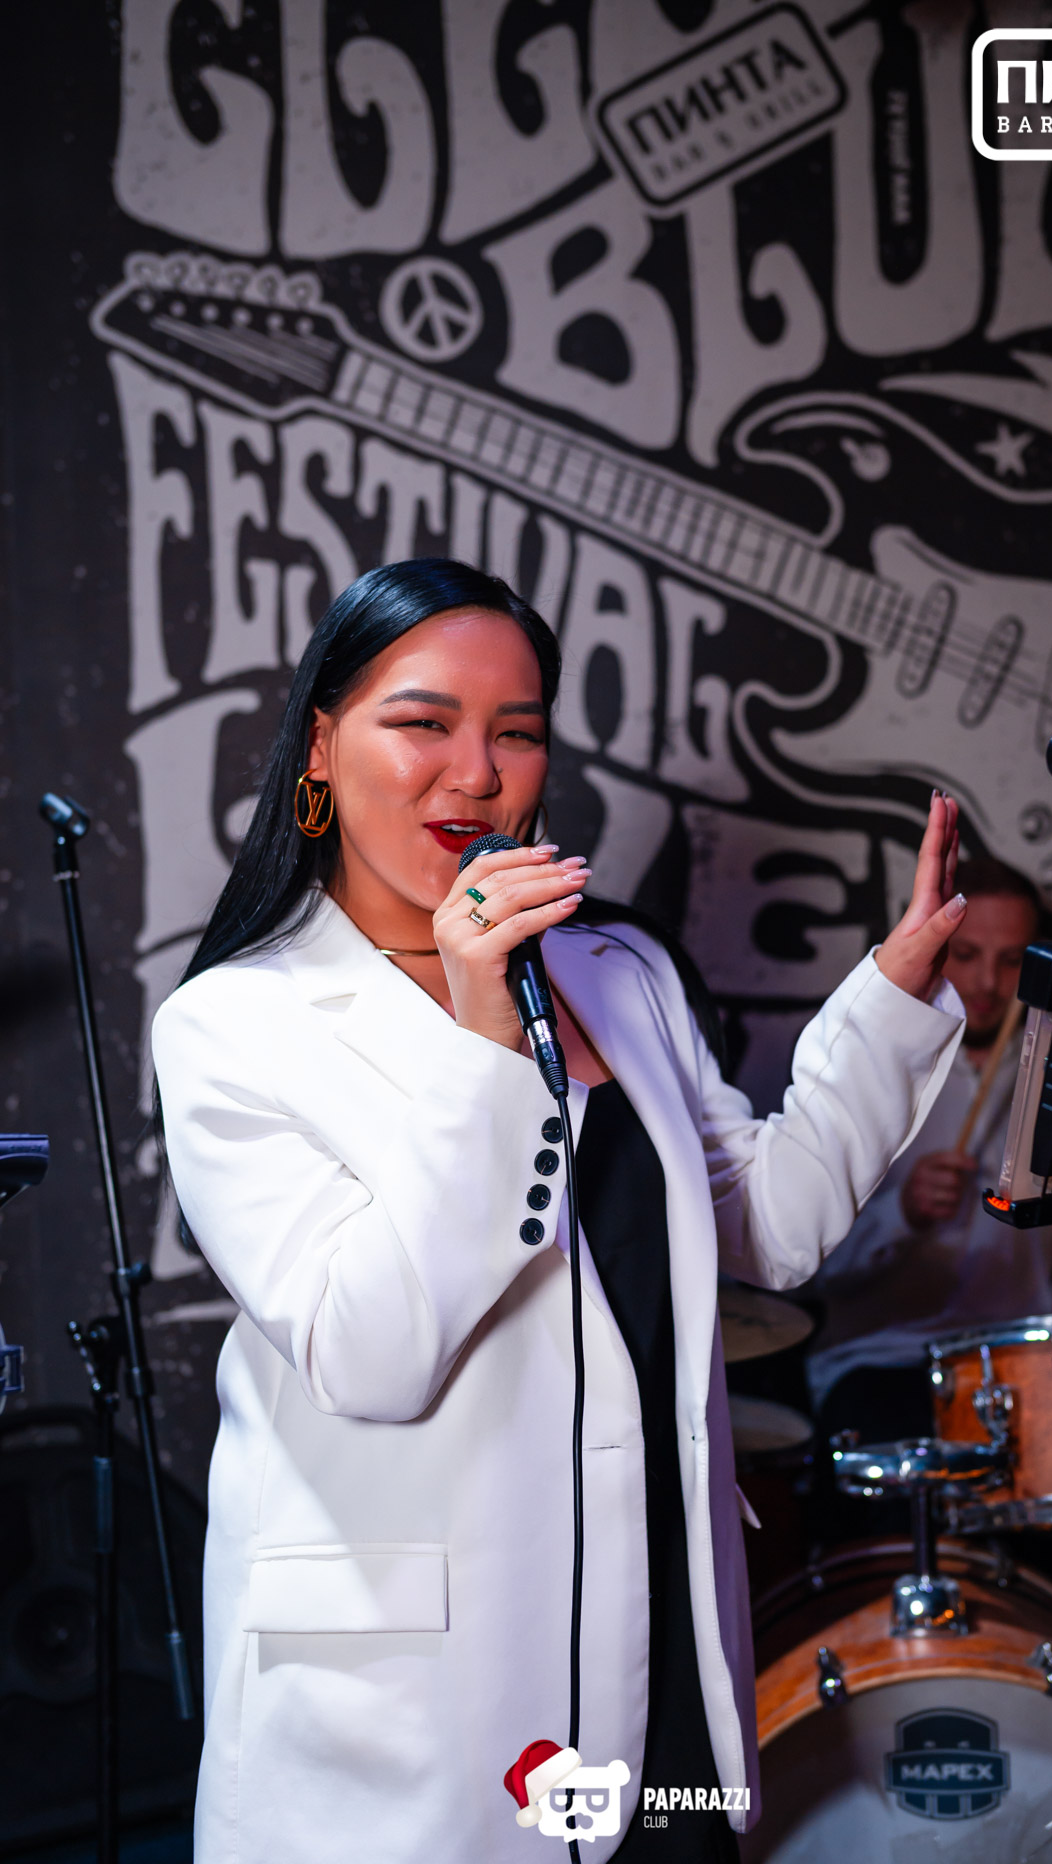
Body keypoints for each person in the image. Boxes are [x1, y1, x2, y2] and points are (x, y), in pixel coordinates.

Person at [152, 558, 968, 1864]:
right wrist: (482, 1031)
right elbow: (370, 1354)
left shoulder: (616, 968)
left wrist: (892, 995)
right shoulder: (235, 1024)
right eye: (423, 722)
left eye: (517, 732)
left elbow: (767, 1225)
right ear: (318, 745)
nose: (476, 774)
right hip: (418, 1697)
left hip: (655, 1633)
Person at [804, 859, 1052, 1542]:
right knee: (901, 1542)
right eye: (967, 955)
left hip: (1020, 1361)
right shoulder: (866, 1066)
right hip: (883, 1362)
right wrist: (903, 1215)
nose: (986, 984)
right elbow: (805, 1263)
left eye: (1012, 962)